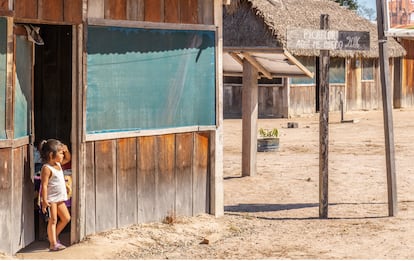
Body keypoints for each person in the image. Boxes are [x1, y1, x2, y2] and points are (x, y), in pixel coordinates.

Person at [39, 139, 71, 251]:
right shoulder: (47, 168)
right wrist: (44, 201)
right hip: (52, 199)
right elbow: (44, 185)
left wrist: (66, 151)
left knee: (66, 218)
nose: (63, 155)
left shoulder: (58, 164)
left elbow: (68, 159)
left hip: (60, 199)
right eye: (61, 153)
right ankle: (53, 244)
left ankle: (52, 236)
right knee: (53, 220)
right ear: (52, 154)